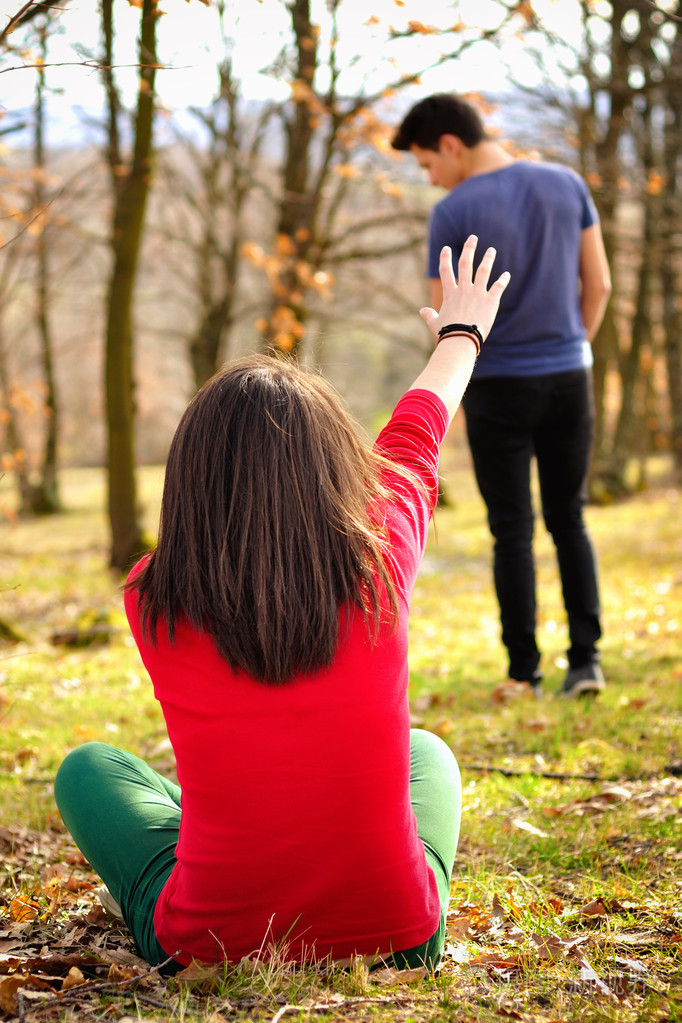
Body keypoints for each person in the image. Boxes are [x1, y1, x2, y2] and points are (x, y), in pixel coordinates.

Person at [54, 238, 509, 973]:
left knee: (87, 769)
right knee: (428, 754)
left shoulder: (152, 597)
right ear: (337, 469)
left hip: (208, 942)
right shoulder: (380, 563)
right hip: (398, 935)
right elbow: (416, 441)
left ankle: (214, 827)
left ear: (189, 480)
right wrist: (463, 334)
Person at [392, 93, 612, 699]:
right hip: (569, 374)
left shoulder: (453, 210)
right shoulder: (567, 184)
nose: (429, 178)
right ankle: (586, 662)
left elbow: (446, 320)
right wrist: (571, 348)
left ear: (450, 146)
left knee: (511, 528)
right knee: (570, 517)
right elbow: (600, 284)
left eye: (425, 164)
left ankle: (524, 672)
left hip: (493, 385)